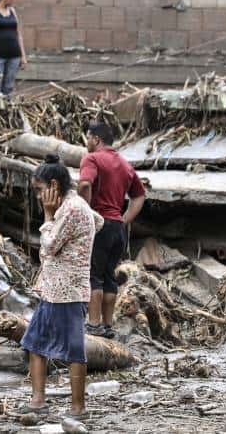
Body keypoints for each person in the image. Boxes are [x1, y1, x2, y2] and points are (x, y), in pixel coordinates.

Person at [20, 155, 103, 420]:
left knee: (73, 350)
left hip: (67, 291)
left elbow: (49, 245)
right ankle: (38, 401)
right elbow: (98, 221)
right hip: (53, 289)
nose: (38, 195)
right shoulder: (74, 205)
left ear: (53, 185)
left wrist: (47, 216)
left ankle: (78, 409)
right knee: (34, 343)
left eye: (39, 189)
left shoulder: (70, 209)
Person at [79, 121, 146, 340]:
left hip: (100, 224)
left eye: (88, 138)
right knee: (109, 276)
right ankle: (108, 326)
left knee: (94, 276)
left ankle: (93, 324)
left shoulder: (92, 158)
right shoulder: (125, 164)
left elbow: (84, 184)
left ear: (96, 139)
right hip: (117, 227)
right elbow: (139, 195)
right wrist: (124, 219)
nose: (87, 142)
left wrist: (87, 211)